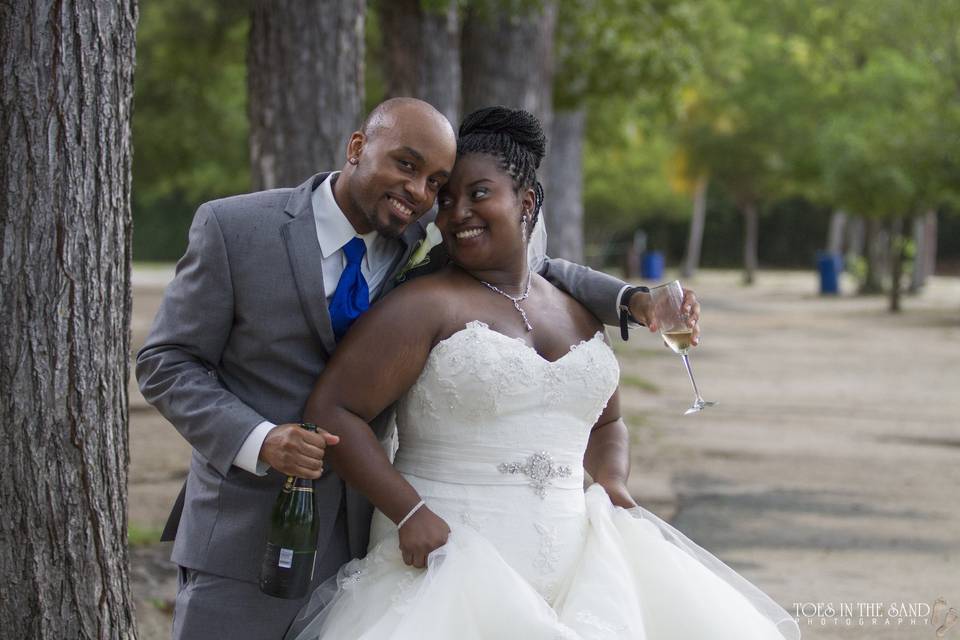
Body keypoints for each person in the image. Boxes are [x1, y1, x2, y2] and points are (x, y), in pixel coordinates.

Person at [136, 98, 701, 639]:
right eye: (406, 166)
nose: (420, 193)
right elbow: (165, 361)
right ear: (358, 146)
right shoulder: (236, 228)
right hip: (250, 526)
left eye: (435, 182)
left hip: (363, 534)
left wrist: (634, 300)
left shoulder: (417, 242)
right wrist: (259, 439)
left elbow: (535, 267)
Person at [284, 107, 800, 640]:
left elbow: (606, 424)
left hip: (576, 566)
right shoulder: (422, 304)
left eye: (478, 194)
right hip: (448, 562)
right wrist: (409, 511)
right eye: (447, 199)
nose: (457, 212)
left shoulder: (576, 308)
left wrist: (612, 481)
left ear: (526, 201)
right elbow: (332, 409)